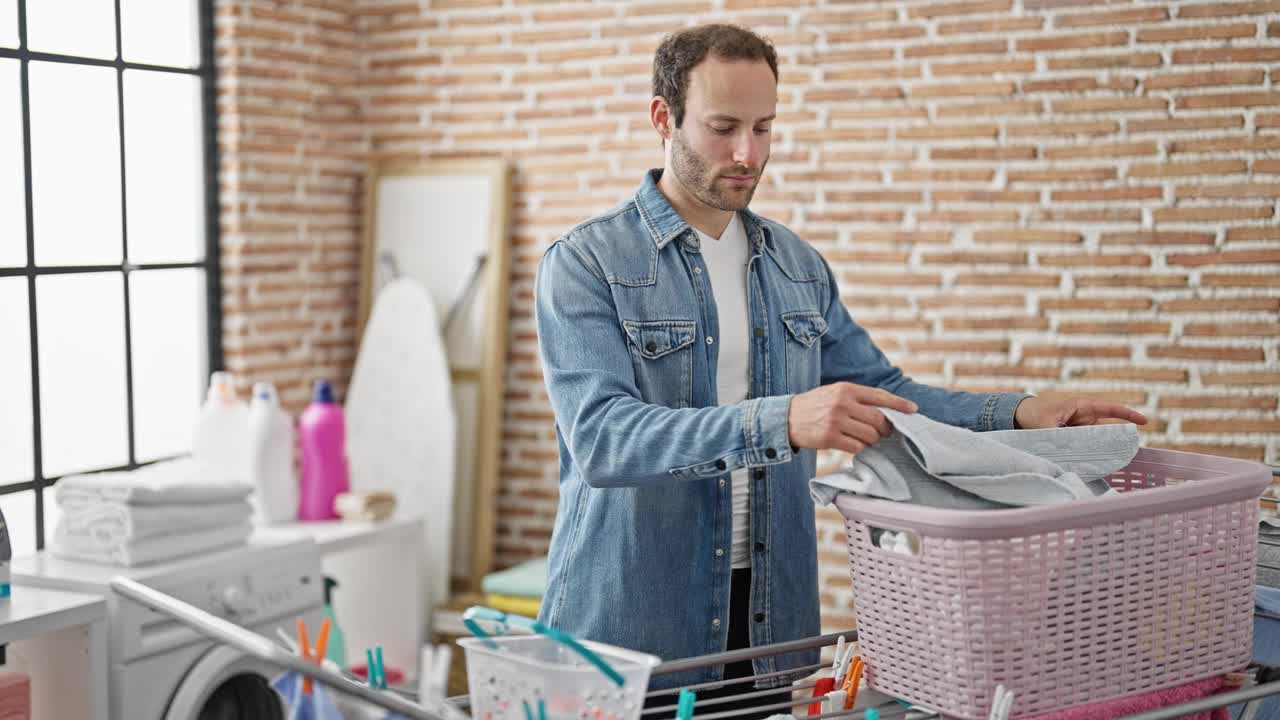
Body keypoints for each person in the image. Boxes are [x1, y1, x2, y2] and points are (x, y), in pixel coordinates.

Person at [532, 23, 1147, 696]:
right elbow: (602, 439)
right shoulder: (587, 263)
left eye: (764, 128)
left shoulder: (796, 267)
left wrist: (1023, 412)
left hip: (768, 628)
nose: (747, 153)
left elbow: (883, 396)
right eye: (723, 126)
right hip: (627, 629)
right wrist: (782, 421)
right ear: (663, 118)